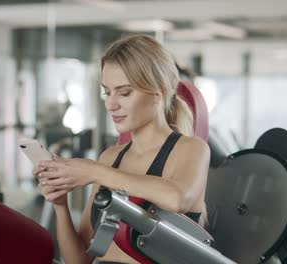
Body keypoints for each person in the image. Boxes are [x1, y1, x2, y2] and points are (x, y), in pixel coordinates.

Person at [34, 35, 210, 264]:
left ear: (157, 93)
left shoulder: (191, 149)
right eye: (107, 92)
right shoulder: (110, 158)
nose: (111, 104)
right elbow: (78, 260)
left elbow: (177, 198)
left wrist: (93, 171)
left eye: (124, 92)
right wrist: (60, 205)